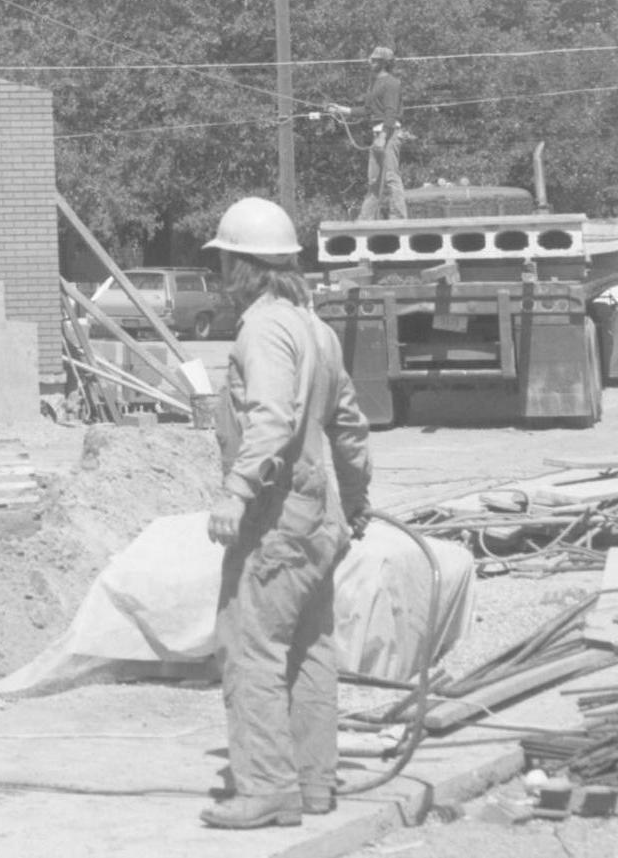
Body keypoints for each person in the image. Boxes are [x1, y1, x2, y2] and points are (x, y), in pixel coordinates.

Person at [200, 196, 373, 832]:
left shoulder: (263, 328)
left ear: (244, 267)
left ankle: (268, 789)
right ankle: (312, 783)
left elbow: (271, 416)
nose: (221, 280)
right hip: (319, 513)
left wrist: (236, 493)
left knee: (251, 649)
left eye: (225, 265)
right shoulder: (316, 330)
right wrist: (354, 501)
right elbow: (350, 425)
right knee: (308, 650)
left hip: (277, 517)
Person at [360, 49, 408, 221]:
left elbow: (390, 112)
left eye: (374, 60)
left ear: (384, 63)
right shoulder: (373, 83)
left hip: (389, 134)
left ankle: (399, 218)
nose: (370, 62)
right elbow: (367, 110)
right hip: (378, 134)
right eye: (370, 59)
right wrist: (342, 110)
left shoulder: (391, 83)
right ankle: (365, 220)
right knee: (374, 180)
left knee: (391, 177)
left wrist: (382, 136)